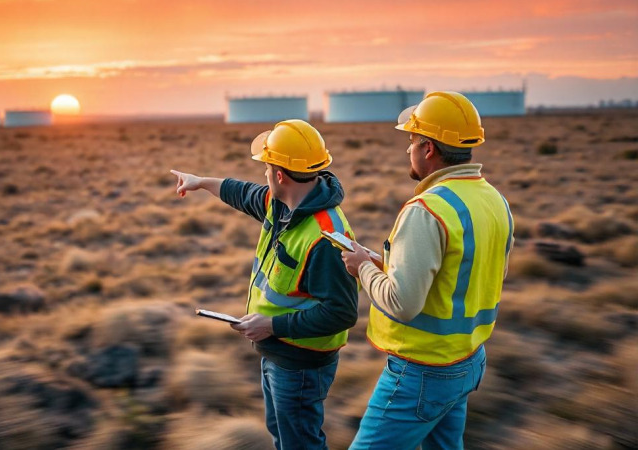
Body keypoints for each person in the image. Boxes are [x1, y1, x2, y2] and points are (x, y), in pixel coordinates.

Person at [171, 119, 358, 450]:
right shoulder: (282, 203)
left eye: (266, 166)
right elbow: (241, 192)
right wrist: (200, 182)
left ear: (280, 175)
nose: (263, 174)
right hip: (276, 350)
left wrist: (271, 325)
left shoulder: (327, 236)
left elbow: (342, 313)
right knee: (283, 437)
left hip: (301, 365)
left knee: (300, 444)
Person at [342, 91, 514, 449]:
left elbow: (402, 302)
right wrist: (379, 261)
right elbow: (465, 272)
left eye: (411, 140)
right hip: (468, 359)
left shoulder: (427, 209)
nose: (408, 149)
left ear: (429, 149)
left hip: (422, 371)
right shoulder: (494, 200)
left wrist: (362, 269)